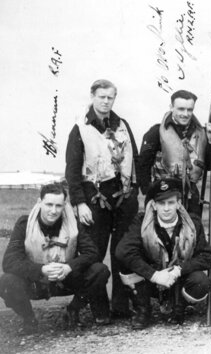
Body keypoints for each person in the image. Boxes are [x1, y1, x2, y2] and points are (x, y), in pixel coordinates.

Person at [65, 79, 139, 318]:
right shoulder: (80, 127)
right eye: (102, 97)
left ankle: (120, 304)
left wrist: (133, 194)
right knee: (94, 254)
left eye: (110, 97)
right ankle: (99, 308)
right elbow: (72, 170)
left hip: (123, 199)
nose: (106, 101)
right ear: (93, 96)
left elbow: (134, 160)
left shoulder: (123, 125)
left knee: (122, 252)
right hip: (94, 200)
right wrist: (79, 203)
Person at [0, 183, 111, 334]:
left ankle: (73, 310)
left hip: (66, 279)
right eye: (49, 204)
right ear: (39, 202)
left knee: (100, 270)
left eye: (58, 206)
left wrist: (68, 267)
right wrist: (41, 269)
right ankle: (29, 318)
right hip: (36, 282)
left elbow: (92, 253)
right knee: (6, 281)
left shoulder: (73, 223)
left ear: (64, 205)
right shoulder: (24, 224)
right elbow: (9, 261)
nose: (53, 211)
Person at [115, 178, 211, 329]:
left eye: (171, 203)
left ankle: (180, 307)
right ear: (154, 205)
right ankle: (143, 310)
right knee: (126, 264)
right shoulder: (141, 223)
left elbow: (208, 256)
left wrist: (179, 270)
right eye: (161, 203)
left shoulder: (193, 223)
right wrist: (155, 275)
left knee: (200, 281)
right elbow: (122, 251)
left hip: (177, 278)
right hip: (152, 280)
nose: (166, 208)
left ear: (178, 204)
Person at [136, 90, 211, 217]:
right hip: (163, 192)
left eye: (189, 110)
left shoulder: (202, 133)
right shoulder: (156, 132)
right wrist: (149, 193)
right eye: (181, 109)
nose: (185, 114)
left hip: (191, 196)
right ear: (171, 107)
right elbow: (142, 165)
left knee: (193, 232)